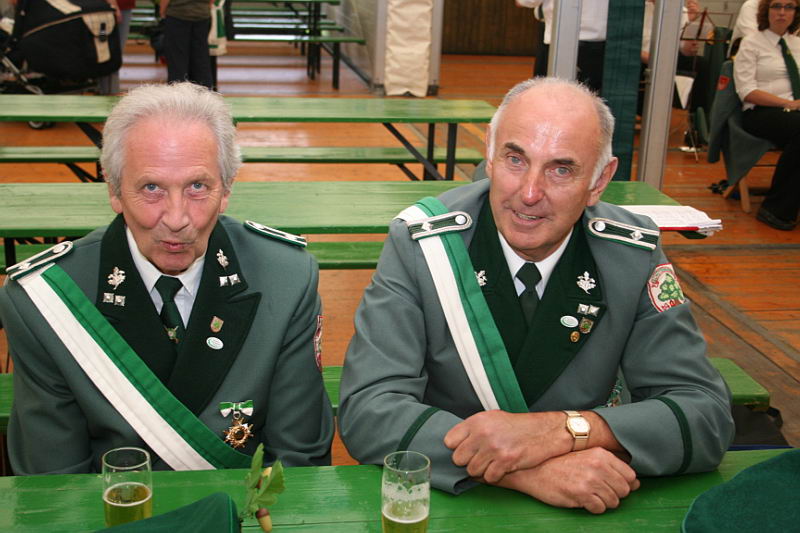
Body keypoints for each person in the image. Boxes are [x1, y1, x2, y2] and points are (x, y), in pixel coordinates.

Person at [338, 77, 734, 514]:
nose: (529, 193)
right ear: (490, 154)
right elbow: (369, 409)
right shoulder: (424, 245)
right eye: (515, 159)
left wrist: (565, 431)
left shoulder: (630, 255)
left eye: (561, 169)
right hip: (457, 503)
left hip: (589, 505)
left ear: (599, 181)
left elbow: (706, 416)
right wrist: (522, 470)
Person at [0, 82, 334, 474]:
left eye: (197, 187)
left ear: (226, 189)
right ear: (114, 189)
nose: (176, 219)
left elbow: (298, 460)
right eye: (151, 188)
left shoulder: (286, 279)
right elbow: (54, 484)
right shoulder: (46, 300)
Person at [734, 0, 800, 230]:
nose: (782, 12)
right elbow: (746, 91)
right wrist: (788, 103)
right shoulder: (751, 43)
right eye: (776, 6)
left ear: (795, 13)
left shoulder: (797, 43)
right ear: (766, 11)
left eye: (789, 7)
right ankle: (775, 208)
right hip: (761, 112)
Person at [516, 0, 609, 94]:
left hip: (562, 38)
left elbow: (527, 1)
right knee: (593, 93)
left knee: (553, 92)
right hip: (601, 37)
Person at [160, 0, 213, 88]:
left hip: (178, 14)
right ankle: (204, 91)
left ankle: (178, 92)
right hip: (202, 14)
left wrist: (162, 11)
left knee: (177, 59)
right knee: (201, 58)